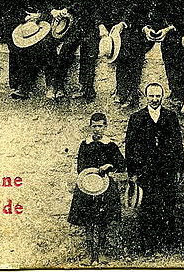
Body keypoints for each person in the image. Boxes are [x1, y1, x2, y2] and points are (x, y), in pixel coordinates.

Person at [123, 82, 184, 255]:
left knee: (168, 206)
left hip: (167, 171)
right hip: (146, 171)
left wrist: (179, 168)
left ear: (162, 97)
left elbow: (178, 145)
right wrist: (132, 172)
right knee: (148, 208)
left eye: (158, 96)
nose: (155, 99)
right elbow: (130, 146)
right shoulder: (136, 118)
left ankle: (166, 245)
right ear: (146, 97)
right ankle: (148, 246)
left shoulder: (170, 117)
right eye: (151, 96)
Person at [68, 111, 126, 264]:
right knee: (88, 221)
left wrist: (109, 165)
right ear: (90, 127)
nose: (97, 129)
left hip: (105, 188)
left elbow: (122, 164)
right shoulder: (85, 144)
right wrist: (90, 173)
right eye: (94, 126)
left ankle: (101, 254)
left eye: (100, 126)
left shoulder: (111, 145)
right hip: (87, 186)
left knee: (103, 221)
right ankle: (90, 255)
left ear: (105, 127)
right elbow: (80, 166)